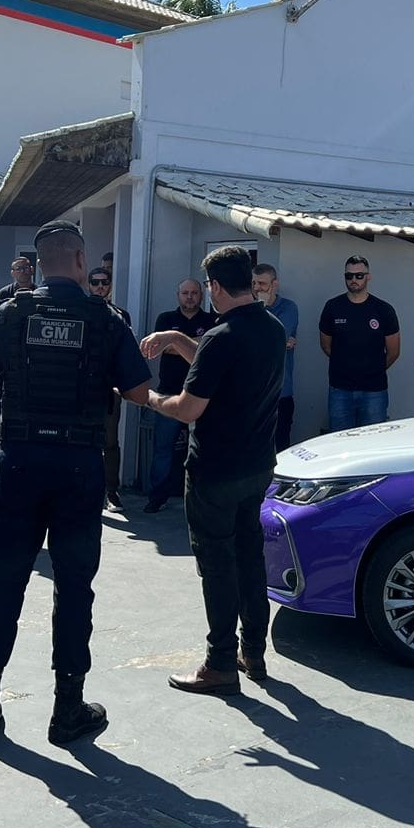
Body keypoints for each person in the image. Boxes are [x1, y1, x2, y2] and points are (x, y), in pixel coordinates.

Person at [0, 220, 151, 745]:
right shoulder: (106, 319)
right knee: (73, 588)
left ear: (39, 263)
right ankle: (67, 711)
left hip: (19, 463)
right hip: (78, 469)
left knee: (5, 584)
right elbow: (139, 393)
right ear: (81, 260)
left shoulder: (6, 314)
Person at [140, 245, 287, 696]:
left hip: (216, 472)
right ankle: (253, 652)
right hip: (257, 466)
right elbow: (214, 361)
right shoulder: (271, 327)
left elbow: (188, 408)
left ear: (216, 287)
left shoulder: (223, 336)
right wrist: (174, 337)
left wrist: (148, 398)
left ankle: (220, 663)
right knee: (249, 559)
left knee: (218, 566)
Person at [143, 279, 218, 513]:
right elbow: (160, 347)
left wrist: (175, 340)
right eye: (185, 293)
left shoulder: (212, 321)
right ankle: (157, 497)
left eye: (194, 293)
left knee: (203, 452)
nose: (190, 297)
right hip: (168, 392)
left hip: (202, 395)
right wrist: (196, 344)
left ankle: (200, 501)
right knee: (163, 449)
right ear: (178, 295)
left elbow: (211, 349)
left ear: (201, 295)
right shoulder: (165, 319)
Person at [318, 255, 401, 431]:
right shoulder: (332, 307)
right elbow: (326, 345)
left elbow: (393, 352)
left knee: (372, 441)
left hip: (374, 391)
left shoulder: (383, 310)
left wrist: (373, 369)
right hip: (340, 390)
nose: (353, 280)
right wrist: (345, 365)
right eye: (349, 276)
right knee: (340, 440)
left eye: (359, 275)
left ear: (368, 277)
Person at [88, 267, 132, 512]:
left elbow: (125, 353)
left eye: (104, 282)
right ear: (89, 285)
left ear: (110, 285)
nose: (100, 287)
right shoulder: (80, 310)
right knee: (83, 441)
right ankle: (85, 492)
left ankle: (111, 492)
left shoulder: (120, 315)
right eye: (95, 283)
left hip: (109, 388)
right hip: (83, 387)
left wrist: (122, 383)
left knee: (110, 442)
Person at [252, 263, 300, 448]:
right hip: (253, 394)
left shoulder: (288, 307)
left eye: (262, 284)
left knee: (280, 447)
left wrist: (262, 308)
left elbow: (278, 335)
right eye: (254, 283)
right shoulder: (247, 308)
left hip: (281, 393)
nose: (257, 288)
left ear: (274, 284)